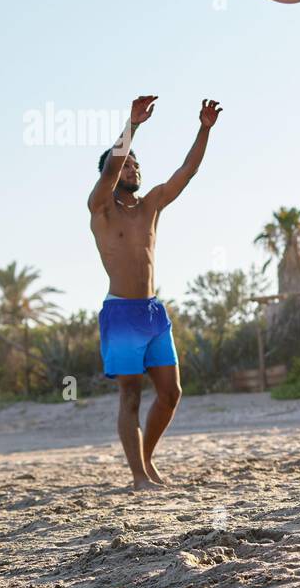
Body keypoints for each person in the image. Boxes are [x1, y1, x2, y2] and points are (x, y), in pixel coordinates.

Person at [89, 95, 222, 489]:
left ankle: (147, 461)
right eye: (127, 164)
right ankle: (137, 476)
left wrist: (204, 129)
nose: (132, 168)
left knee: (171, 392)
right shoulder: (101, 207)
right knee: (130, 396)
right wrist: (132, 126)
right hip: (121, 314)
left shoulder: (150, 206)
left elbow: (187, 171)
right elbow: (111, 166)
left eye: (136, 164)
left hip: (152, 313)